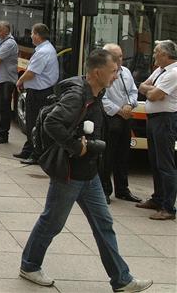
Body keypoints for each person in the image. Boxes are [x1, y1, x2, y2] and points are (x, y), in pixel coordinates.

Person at [19, 49, 152, 292]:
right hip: (70, 173)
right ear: (97, 72)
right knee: (52, 222)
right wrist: (75, 146)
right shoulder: (78, 96)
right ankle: (29, 265)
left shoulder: (96, 92)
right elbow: (52, 123)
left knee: (104, 224)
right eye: (113, 71)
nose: (116, 75)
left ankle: (122, 280)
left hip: (88, 173)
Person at [136, 40, 177, 221]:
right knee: (154, 161)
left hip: (165, 120)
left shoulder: (174, 72)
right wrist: (151, 89)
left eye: (156, 52)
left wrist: (151, 90)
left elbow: (153, 94)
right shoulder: (160, 70)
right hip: (154, 119)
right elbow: (142, 86)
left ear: (166, 55)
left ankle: (168, 207)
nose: (153, 55)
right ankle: (158, 198)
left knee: (165, 164)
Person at [99, 43, 142, 204]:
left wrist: (130, 105)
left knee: (123, 155)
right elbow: (102, 97)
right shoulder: (103, 73)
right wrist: (118, 110)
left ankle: (122, 189)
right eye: (117, 57)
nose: (120, 60)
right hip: (111, 117)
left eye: (121, 56)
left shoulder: (126, 72)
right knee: (107, 155)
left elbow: (133, 91)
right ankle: (104, 190)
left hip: (126, 116)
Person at [14, 23, 59, 164]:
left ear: (38, 35)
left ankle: (36, 154)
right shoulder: (44, 49)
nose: (31, 36)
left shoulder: (43, 51)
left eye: (32, 33)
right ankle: (28, 149)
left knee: (34, 123)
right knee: (31, 121)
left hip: (40, 92)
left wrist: (20, 81)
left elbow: (32, 72)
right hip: (39, 90)